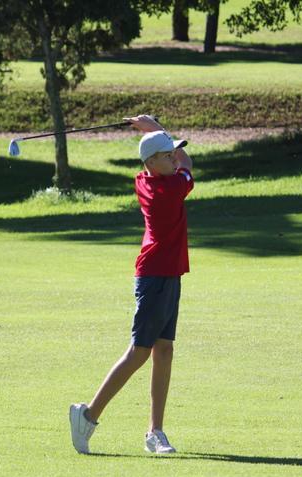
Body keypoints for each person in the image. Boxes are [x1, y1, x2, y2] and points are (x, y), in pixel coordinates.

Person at [69, 114, 194, 455]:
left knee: (164, 350)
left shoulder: (144, 179)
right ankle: (88, 416)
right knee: (140, 352)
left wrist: (155, 134)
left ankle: (155, 431)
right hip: (155, 277)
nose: (174, 157)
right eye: (167, 155)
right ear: (153, 162)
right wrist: (154, 127)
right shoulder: (169, 188)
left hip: (168, 275)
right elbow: (188, 163)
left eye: (171, 153)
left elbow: (175, 158)